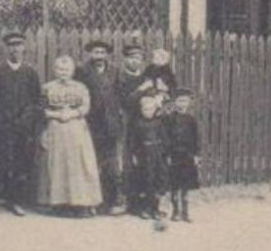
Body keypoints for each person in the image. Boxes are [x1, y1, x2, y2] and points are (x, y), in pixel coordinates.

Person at [0, 31, 43, 215]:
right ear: (6, 49)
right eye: (11, 46)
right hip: (0, 127)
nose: (15, 49)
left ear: (24, 48)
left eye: (18, 45)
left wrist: (27, 118)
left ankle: (15, 201)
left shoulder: (30, 73)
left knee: (20, 164)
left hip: (22, 129)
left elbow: (37, 101)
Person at [34, 54, 104, 215]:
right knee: (57, 164)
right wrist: (55, 115)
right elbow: (41, 109)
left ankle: (81, 202)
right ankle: (59, 203)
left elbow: (86, 107)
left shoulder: (81, 87)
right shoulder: (47, 87)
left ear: (72, 71)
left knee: (78, 165)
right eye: (60, 69)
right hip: (55, 128)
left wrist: (72, 114)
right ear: (54, 70)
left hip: (76, 128)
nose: (63, 72)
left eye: (66, 69)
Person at [75, 38, 125, 215]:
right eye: (96, 52)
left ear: (107, 55)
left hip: (110, 125)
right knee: (90, 163)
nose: (99, 56)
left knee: (111, 163)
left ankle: (112, 201)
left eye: (102, 53)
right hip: (91, 124)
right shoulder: (82, 72)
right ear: (90, 54)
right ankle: (89, 203)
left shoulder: (115, 71)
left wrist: (117, 117)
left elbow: (121, 95)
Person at [126, 88, 169, 219]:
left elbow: (165, 139)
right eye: (145, 109)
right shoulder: (137, 124)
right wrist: (134, 155)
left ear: (155, 109)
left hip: (157, 157)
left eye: (151, 109)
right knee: (145, 181)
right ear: (140, 110)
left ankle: (155, 208)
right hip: (144, 157)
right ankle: (144, 208)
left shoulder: (159, 123)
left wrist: (165, 153)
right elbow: (133, 142)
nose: (148, 112)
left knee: (158, 181)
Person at [164, 87, 201, 222]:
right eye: (180, 101)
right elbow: (166, 137)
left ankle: (185, 212)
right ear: (175, 102)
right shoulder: (169, 119)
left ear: (189, 103)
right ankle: (175, 212)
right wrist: (167, 154)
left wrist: (196, 155)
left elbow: (196, 138)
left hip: (188, 156)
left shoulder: (191, 120)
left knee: (185, 186)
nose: (182, 104)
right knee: (175, 185)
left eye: (185, 101)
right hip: (174, 155)